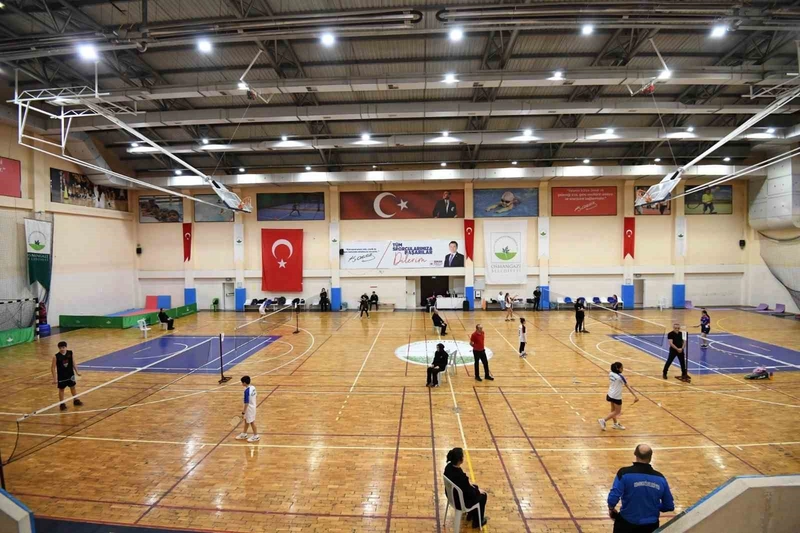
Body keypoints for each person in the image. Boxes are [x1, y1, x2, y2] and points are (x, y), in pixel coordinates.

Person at [607, 444, 674, 533]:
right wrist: (654, 506)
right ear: (650, 457)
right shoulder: (661, 478)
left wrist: (611, 508)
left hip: (626, 524)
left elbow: (613, 497)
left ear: (635, 454)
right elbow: (669, 506)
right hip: (651, 526)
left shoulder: (624, 473)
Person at [443, 448, 489, 529]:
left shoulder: (448, 467)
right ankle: (477, 522)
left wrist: (474, 488)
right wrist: (478, 490)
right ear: (460, 460)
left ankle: (470, 515)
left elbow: (466, 487)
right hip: (459, 502)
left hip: (451, 496)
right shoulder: (461, 477)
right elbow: (470, 492)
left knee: (474, 488)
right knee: (483, 495)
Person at [599, 362, 639, 431]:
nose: (623, 369)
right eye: (622, 368)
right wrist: (635, 396)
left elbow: (617, 379)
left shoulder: (611, 373)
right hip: (616, 396)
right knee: (617, 411)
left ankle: (615, 424)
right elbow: (628, 386)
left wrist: (623, 379)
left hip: (610, 394)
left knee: (613, 410)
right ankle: (603, 420)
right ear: (618, 369)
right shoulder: (620, 377)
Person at [52, 341, 83, 411]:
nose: (62, 349)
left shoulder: (70, 353)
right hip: (62, 376)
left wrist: (77, 372)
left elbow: (73, 362)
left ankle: (76, 400)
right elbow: (53, 368)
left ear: (66, 347)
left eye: (63, 347)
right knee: (61, 389)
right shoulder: (56, 356)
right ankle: (62, 404)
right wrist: (55, 378)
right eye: (60, 348)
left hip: (70, 374)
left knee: (73, 387)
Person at [235, 376, 260, 443]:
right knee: (246, 420)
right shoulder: (253, 387)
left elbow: (246, 403)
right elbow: (256, 396)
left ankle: (256, 436)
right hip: (253, 407)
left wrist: (243, 412)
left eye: (242, 382)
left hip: (249, 409)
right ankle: (244, 434)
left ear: (244, 383)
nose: (241, 384)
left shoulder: (246, 391)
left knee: (252, 422)